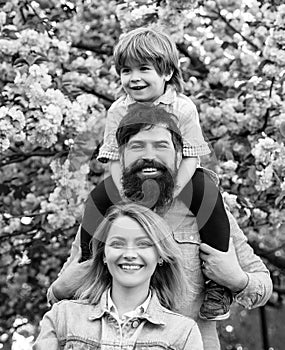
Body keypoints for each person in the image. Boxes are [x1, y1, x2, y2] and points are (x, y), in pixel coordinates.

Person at [48, 105, 273, 350]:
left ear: (178, 155)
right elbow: (59, 295)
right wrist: (61, 287)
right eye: (137, 146)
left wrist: (237, 279)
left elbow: (263, 283)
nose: (149, 155)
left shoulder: (204, 208)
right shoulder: (105, 212)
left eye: (161, 146)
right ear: (120, 156)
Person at [80, 26, 232, 321]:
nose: (133, 77)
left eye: (144, 69)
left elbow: (191, 157)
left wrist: (172, 190)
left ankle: (218, 285)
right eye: (126, 70)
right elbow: (114, 157)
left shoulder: (183, 108)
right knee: (97, 199)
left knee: (207, 192)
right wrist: (125, 193)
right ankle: (86, 267)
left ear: (166, 73)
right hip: (134, 176)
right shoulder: (118, 111)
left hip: (178, 176)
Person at [34, 203, 204, 350]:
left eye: (143, 244)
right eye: (118, 244)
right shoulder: (63, 317)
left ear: (160, 256)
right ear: (104, 255)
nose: (130, 254)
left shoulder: (183, 333)